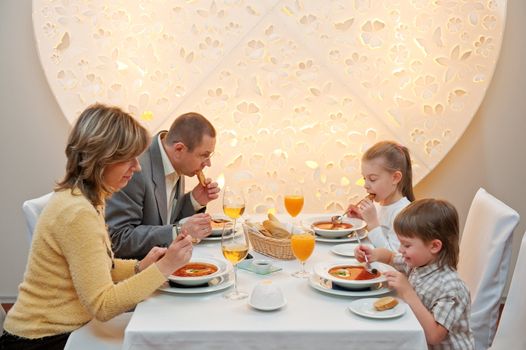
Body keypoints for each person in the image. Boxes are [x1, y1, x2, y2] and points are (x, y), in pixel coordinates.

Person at [0, 104, 193, 350]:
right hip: (42, 339)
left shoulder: (86, 199)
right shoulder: (77, 212)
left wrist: (140, 266)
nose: (137, 167)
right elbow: (103, 305)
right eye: (129, 158)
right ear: (101, 158)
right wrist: (166, 267)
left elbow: (97, 269)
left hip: (64, 329)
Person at [355, 199, 474, 349]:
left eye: (406, 245)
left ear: (434, 246)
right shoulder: (419, 263)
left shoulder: (450, 287)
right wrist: (373, 254)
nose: (400, 249)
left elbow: (434, 336)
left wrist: (407, 292)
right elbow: (390, 257)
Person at [105, 112, 220, 259]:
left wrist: (194, 200)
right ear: (179, 149)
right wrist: (178, 231)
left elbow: (165, 220)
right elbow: (118, 239)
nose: (208, 163)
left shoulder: (176, 161)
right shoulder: (135, 169)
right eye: (204, 155)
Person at [346, 140, 414, 251]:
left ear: (395, 178)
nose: (365, 185)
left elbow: (395, 258)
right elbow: (375, 238)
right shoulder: (380, 205)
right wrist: (363, 219)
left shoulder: (404, 214)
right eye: (364, 178)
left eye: (372, 179)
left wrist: (372, 222)